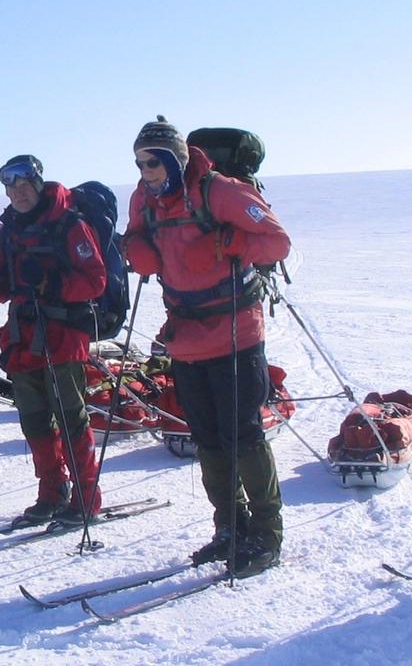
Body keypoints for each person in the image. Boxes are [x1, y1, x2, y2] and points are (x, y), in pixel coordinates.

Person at [121, 116, 291, 576]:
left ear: (176, 158)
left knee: (243, 433)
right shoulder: (145, 198)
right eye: (139, 162)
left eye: (153, 161)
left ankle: (267, 534)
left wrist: (230, 241)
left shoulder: (222, 192)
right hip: (187, 334)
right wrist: (134, 247)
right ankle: (230, 528)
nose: (146, 170)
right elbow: (138, 234)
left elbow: (277, 242)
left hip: (236, 329)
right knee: (209, 437)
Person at [0, 155, 108, 526]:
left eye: (25, 185)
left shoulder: (68, 223)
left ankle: (86, 496)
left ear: (38, 184)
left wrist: (51, 284)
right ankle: (52, 491)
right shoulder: (10, 229)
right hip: (23, 337)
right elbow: (2, 285)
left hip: (63, 335)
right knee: (34, 420)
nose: (18, 193)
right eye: (12, 187)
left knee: (70, 418)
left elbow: (95, 281)